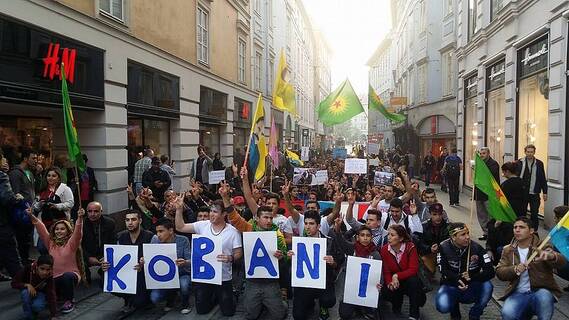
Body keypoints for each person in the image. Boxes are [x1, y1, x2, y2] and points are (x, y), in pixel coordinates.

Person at [219, 182, 288, 320]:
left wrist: (280, 256)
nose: (269, 220)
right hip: (252, 282)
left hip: (271, 283)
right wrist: (225, 198)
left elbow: (285, 258)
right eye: (265, 217)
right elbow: (234, 217)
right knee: (250, 315)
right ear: (257, 218)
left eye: (270, 217)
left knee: (279, 315)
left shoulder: (278, 234)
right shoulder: (249, 228)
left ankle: (282, 303)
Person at [175, 198, 243, 316]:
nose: (211, 214)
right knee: (202, 310)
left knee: (228, 312)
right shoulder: (202, 225)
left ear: (224, 214)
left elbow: (239, 253)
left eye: (215, 212)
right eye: (211, 211)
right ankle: (216, 297)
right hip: (204, 275)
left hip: (223, 276)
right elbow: (180, 227)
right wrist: (179, 210)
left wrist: (230, 258)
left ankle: (230, 296)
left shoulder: (233, 232)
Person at [497, 217, 566, 320]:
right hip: (518, 293)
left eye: (521, 227)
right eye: (515, 227)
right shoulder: (508, 249)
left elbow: (561, 262)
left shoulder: (542, 245)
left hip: (540, 290)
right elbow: (499, 272)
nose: (517, 230)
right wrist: (514, 269)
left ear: (531, 231)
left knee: (544, 298)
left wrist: (551, 256)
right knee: (507, 314)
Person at [27, 205, 85, 314]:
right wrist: (31, 216)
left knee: (67, 276)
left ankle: (70, 301)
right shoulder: (50, 243)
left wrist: (80, 218)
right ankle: (55, 297)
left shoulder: (71, 244)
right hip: (54, 278)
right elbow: (41, 229)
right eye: (57, 229)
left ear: (68, 231)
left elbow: (78, 233)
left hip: (71, 276)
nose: (59, 231)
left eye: (62, 229)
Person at [288, 210, 344, 320]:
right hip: (304, 283)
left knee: (328, 300)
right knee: (298, 316)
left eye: (311, 224)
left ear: (318, 226)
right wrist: (291, 257)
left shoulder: (329, 241)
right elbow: (295, 267)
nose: (307, 227)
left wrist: (333, 262)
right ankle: (309, 303)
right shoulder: (299, 242)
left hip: (324, 282)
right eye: (306, 223)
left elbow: (341, 259)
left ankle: (323, 306)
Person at [435, 223, 494, 320]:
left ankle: (475, 314)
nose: (467, 237)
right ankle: (454, 312)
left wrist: (472, 276)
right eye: (463, 234)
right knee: (442, 305)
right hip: (452, 284)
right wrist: (457, 279)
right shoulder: (443, 247)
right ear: (453, 237)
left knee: (488, 286)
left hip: (473, 284)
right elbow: (443, 269)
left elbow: (490, 271)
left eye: (468, 233)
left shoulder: (477, 248)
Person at [102, 210, 154, 314]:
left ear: (140, 221)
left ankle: (146, 297)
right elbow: (116, 257)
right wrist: (106, 264)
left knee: (140, 303)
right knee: (103, 276)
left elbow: (157, 259)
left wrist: (145, 263)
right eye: (127, 220)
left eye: (133, 219)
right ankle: (127, 298)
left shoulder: (150, 236)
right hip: (126, 273)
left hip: (144, 275)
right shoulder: (120, 237)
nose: (130, 223)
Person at [332, 223, 382, 319]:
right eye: (362, 235)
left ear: (371, 238)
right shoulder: (352, 249)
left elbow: (380, 274)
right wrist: (337, 230)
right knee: (344, 314)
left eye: (368, 235)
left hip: (367, 291)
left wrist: (380, 285)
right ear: (357, 238)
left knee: (372, 315)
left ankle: (363, 309)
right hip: (351, 291)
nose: (365, 238)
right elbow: (341, 242)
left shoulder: (376, 254)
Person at [148, 217, 192, 314]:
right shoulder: (155, 240)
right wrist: (144, 260)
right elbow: (150, 259)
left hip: (181, 273)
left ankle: (185, 303)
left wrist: (185, 262)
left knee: (184, 285)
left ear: (171, 230)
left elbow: (191, 260)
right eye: (157, 232)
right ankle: (171, 298)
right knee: (154, 298)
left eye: (161, 231)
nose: (158, 235)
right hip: (163, 276)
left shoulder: (183, 240)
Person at [380, 224, 424, 320]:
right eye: (388, 235)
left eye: (392, 235)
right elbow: (386, 271)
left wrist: (396, 276)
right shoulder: (384, 250)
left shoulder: (410, 247)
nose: (389, 238)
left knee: (414, 281)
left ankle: (414, 314)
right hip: (394, 280)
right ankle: (396, 306)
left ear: (400, 238)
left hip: (408, 279)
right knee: (386, 291)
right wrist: (389, 283)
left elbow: (413, 269)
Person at [9, 149, 38, 265]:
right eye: (33, 158)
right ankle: (21, 261)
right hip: (21, 211)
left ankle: (25, 258)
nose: (35, 161)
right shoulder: (15, 173)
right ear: (25, 159)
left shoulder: (29, 172)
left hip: (30, 210)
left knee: (27, 237)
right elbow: (15, 193)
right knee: (21, 237)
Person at [0, 149, 24, 277]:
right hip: (2, 223)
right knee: (12, 256)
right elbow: (7, 198)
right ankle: (24, 283)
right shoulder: (2, 175)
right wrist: (17, 198)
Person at [34, 167, 74, 240]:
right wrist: (40, 204)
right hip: (44, 224)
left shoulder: (65, 189)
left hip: (60, 225)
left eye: (54, 176)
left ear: (59, 177)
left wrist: (57, 206)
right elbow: (35, 207)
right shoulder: (42, 189)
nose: (50, 178)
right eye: (48, 175)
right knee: (42, 247)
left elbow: (70, 203)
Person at [11, 254, 56, 320]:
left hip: (40, 293)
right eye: (42, 269)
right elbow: (13, 283)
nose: (44, 272)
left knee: (37, 306)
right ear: (37, 266)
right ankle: (29, 316)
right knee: (25, 294)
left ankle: (33, 311)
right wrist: (27, 285)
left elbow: (51, 294)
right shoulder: (28, 269)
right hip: (27, 292)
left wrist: (53, 315)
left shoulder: (49, 276)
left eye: (48, 269)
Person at [82, 201, 116, 283]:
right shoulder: (81, 224)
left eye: (96, 211)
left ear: (101, 212)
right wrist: (88, 257)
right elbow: (79, 245)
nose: (92, 214)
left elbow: (113, 242)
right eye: (90, 211)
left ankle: (102, 272)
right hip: (88, 254)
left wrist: (107, 256)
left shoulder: (110, 223)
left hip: (103, 254)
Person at [516, 144, 547, 230]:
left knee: (534, 213)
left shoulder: (539, 163)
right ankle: (522, 230)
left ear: (534, 152)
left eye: (531, 152)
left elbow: (543, 178)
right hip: (522, 192)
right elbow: (516, 176)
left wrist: (545, 192)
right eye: (528, 152)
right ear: (525, 152)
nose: (530, 154)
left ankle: (534, 231)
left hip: (534, 192)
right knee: (522, 213)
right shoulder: (520, 162)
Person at [415, 203, 449, 277]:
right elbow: (419, 243)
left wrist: (440, 247)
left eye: (440, 214)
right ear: (430, 214)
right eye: (435, 214)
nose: (438, 217)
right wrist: (429, 249)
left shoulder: (448, 227)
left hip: (444, 254)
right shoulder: (423, 226)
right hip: (429, 253)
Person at [474, 147, 499, 241]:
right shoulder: (479, 164)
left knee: (490, 214)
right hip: (479, 193)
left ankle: (492, 233)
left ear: (488, 153)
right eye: (480, 154)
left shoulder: (493, 164)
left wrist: (481, 169)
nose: (481, 155)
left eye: (483, 153)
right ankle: (485, 232)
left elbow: (491, 177)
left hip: (489, 194)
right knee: (481, 214)